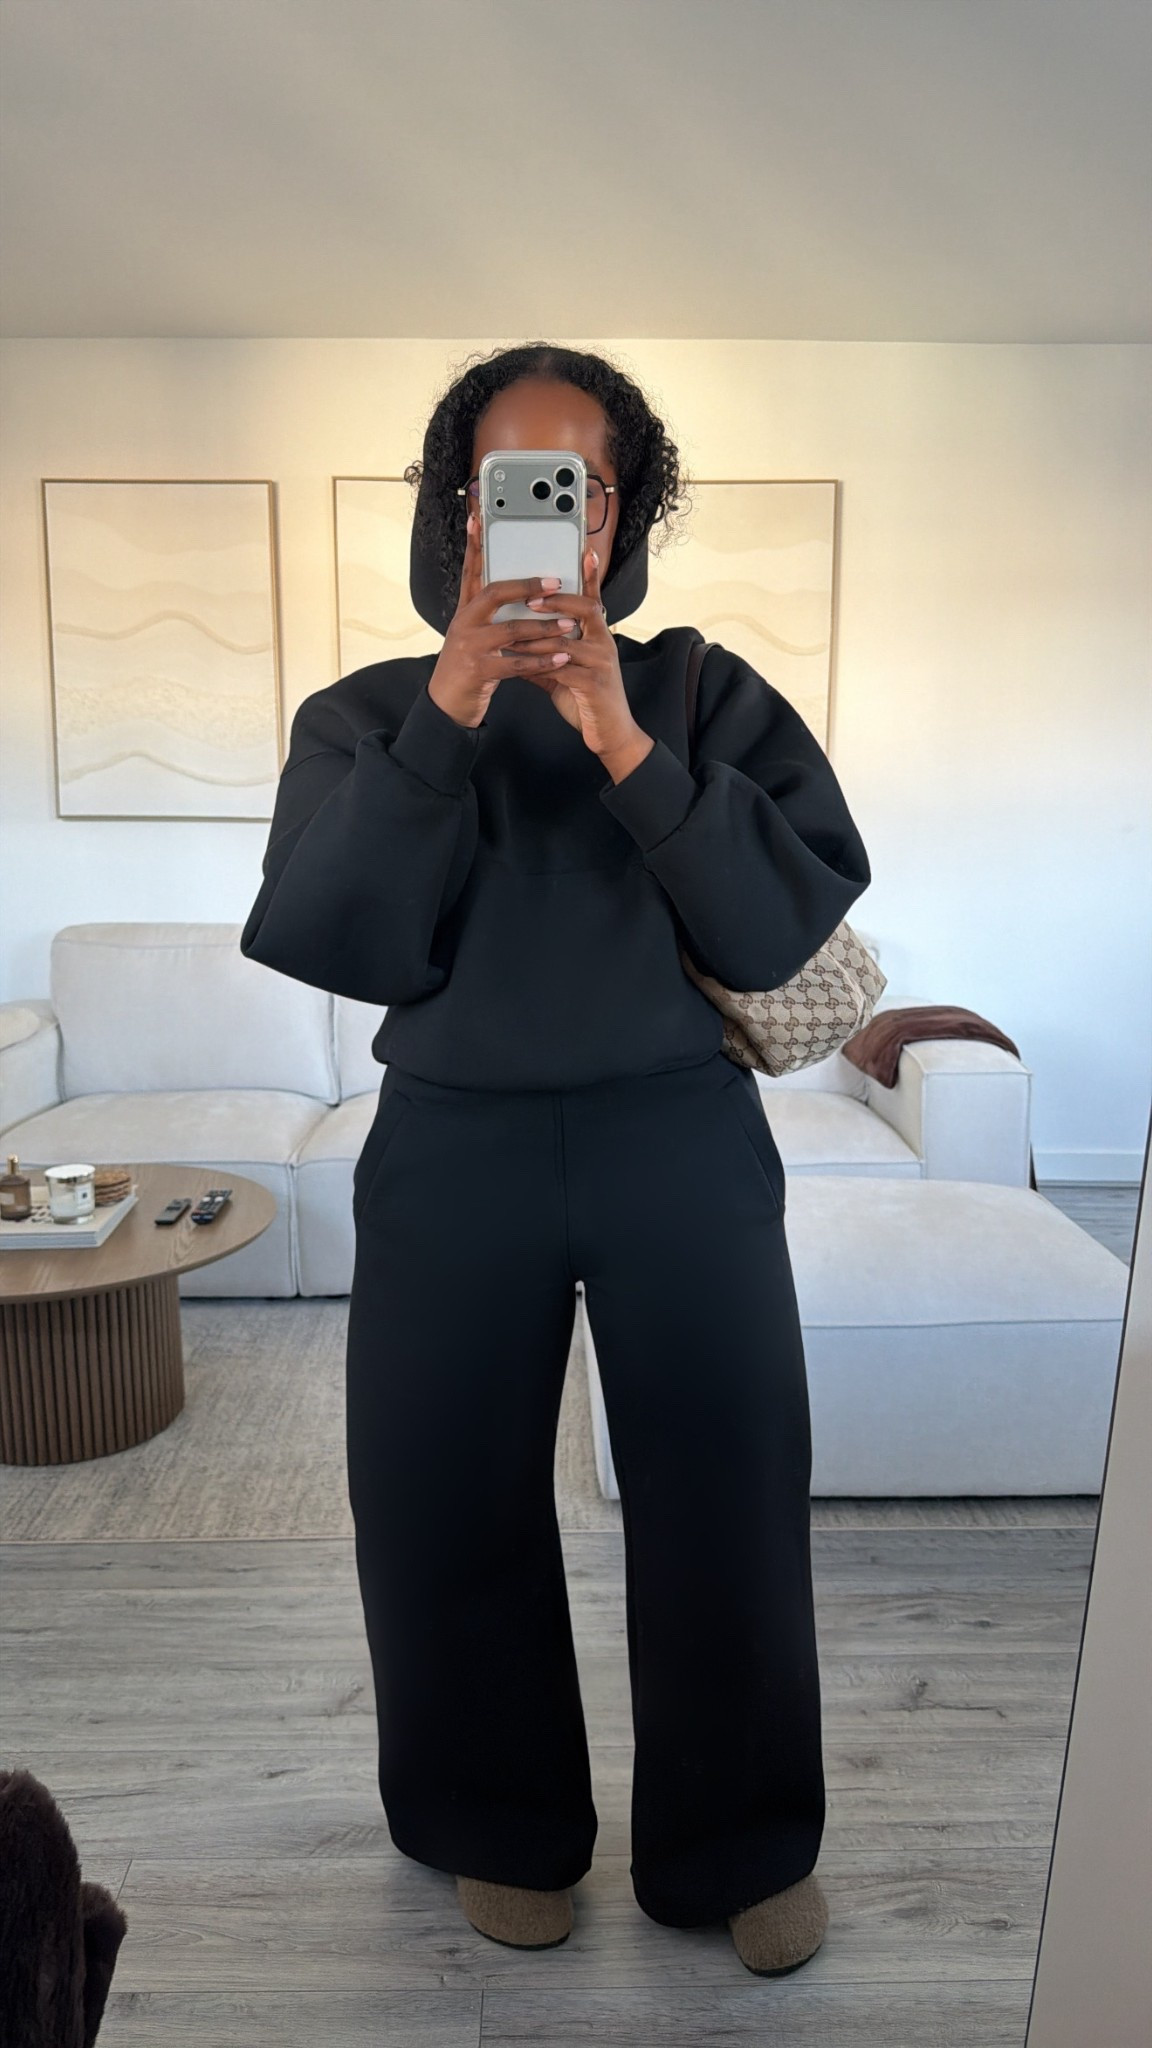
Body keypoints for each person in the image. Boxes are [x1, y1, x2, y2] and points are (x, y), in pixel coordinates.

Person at [240, 342, 871, 1976]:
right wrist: (453, 706)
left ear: (615, 518)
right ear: (459, 512)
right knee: (439, 1495)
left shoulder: (704, 691)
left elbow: (780, 924)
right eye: (503, 483)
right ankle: (497, 1823)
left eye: (574, 486)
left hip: (680, 1139)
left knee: (728, 1493)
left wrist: (619, 736)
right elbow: (337, 939)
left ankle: (741, 1844)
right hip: (454, 1148)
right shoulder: (366, 714)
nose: (540, 515)